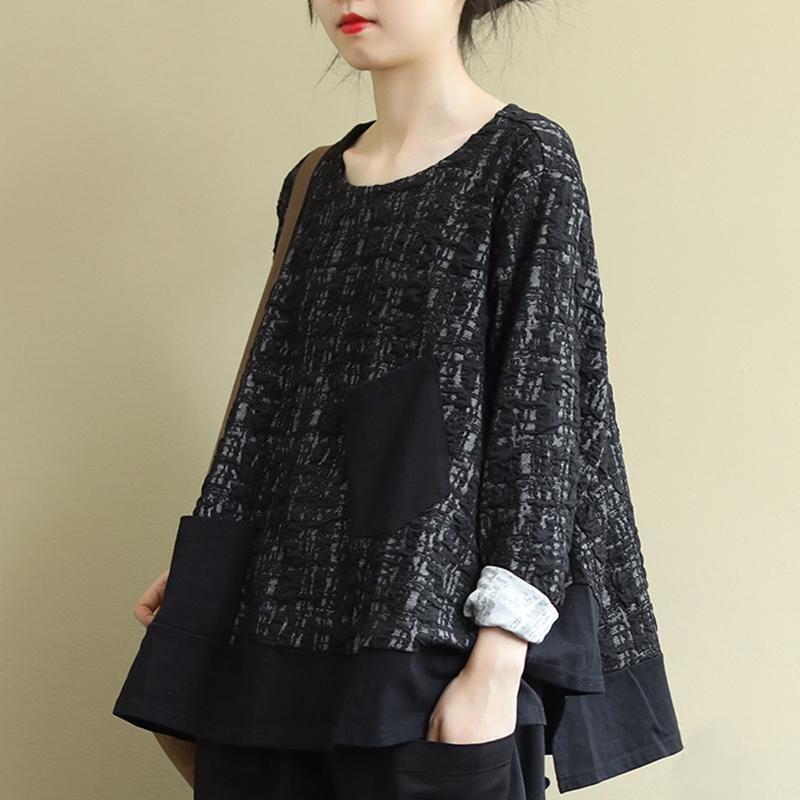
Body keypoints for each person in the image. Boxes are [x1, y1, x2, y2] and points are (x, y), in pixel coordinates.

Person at [112, 1, 684, 797]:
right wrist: (210, 563)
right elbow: (285, 402)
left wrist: (498, 661)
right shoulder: (311, 182)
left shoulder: (525, 159)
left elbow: (543, 417)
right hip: (270, 642)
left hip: (428, 644)